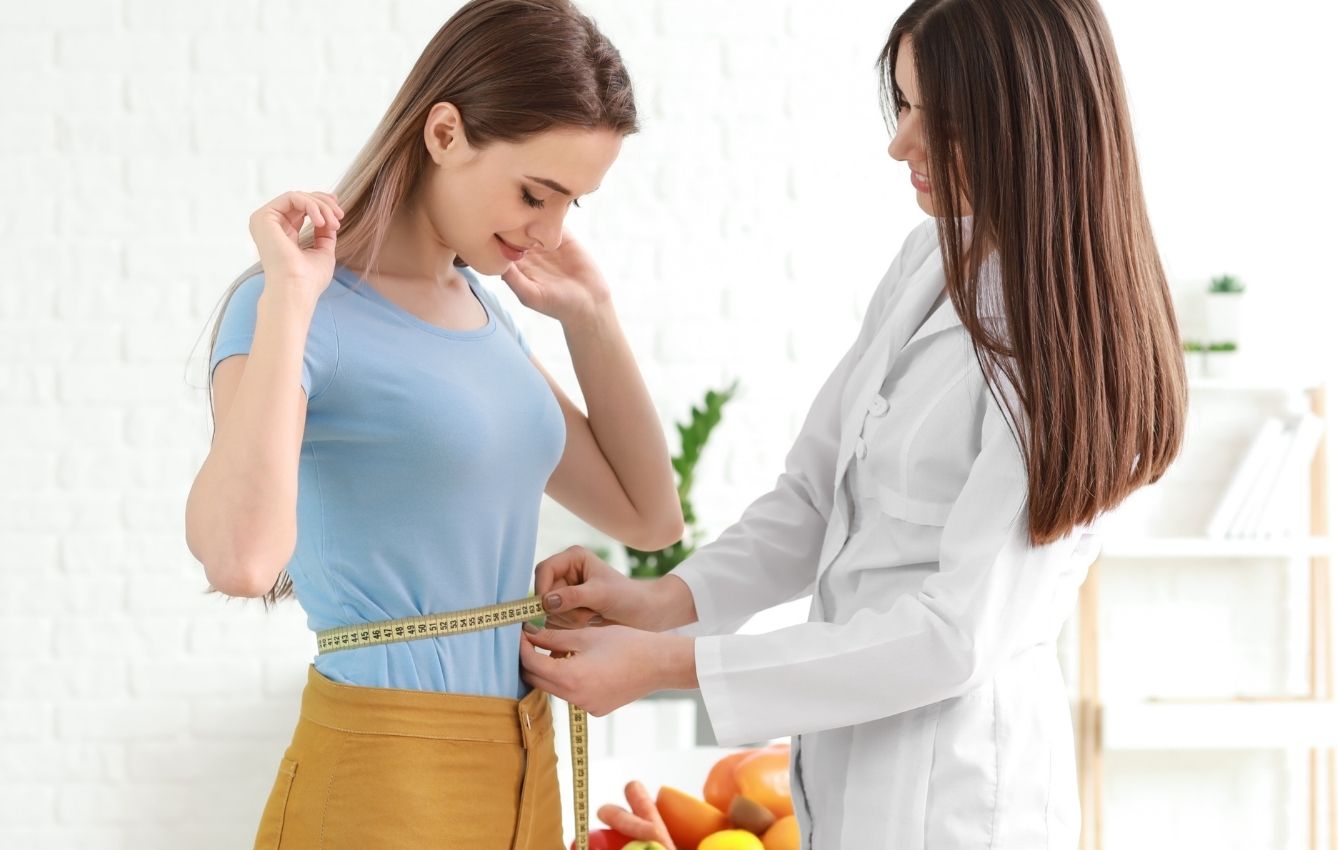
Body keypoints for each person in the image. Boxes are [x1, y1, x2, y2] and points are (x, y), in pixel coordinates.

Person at [517, 1, 1187, 847]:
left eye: (939, 122)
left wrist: (665, 666)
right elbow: (813, 497)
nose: (900, 144)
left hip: (960, 800)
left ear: (1028, 125)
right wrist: (658, 602)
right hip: (841, 769)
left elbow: (952, 637)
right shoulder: (929, 260)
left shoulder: (1072, 346)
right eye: (903, 106)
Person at [181, 1, 678, 846]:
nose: (548, 230)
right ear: (444, 133)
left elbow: (648, 515)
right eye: (535, 193)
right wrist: (293, 301)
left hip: (526, 751)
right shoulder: (289, 305)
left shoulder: (482, 311)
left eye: (572, 206)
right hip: (384, 763)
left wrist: (591, 314)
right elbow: (239, 560)